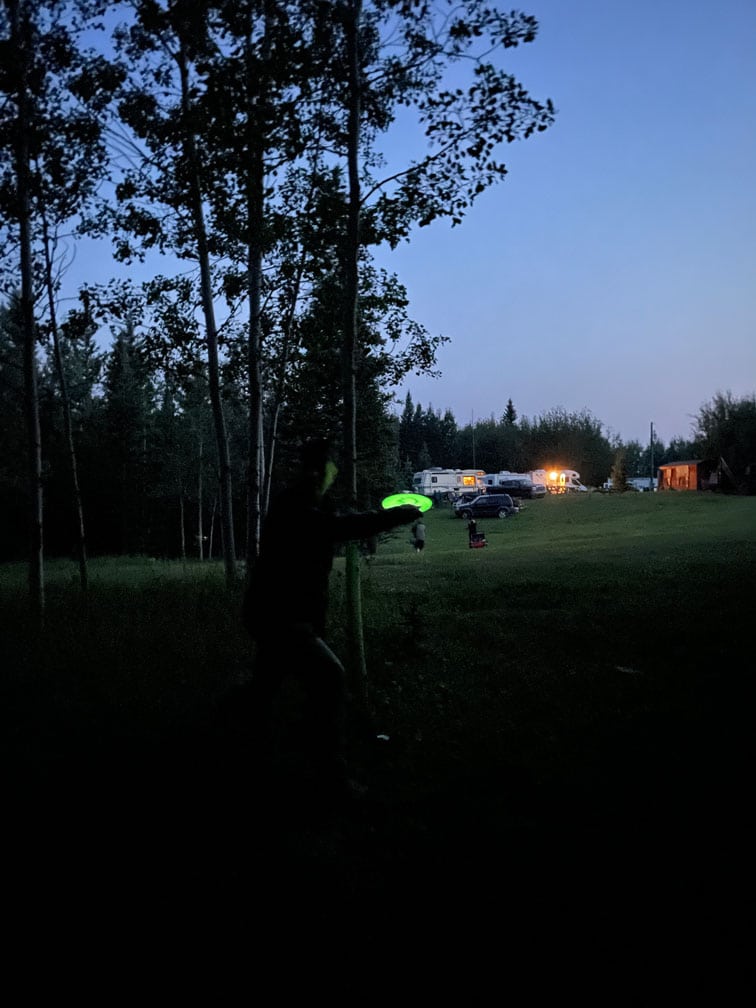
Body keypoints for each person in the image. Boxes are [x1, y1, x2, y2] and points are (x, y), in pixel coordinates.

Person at [240, 438, 419, 801]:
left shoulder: (302, 502)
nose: (326, 476)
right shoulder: (298, 508)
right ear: (315, 471)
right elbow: (339, 528)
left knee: (264, 689)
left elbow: (336, 524)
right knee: (329, 677)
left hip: (273, 615)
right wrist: (397, 515)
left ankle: (242, 755)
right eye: (325, 470)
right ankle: (330, 779)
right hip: (284, 619)